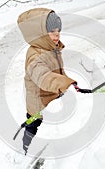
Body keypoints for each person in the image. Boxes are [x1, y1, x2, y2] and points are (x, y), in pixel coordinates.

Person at [17, 8, 76, 154]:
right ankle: (25, 148)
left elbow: (57, 71)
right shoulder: (35, 55)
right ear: (39, 34)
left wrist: (64, 83)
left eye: (58, 30)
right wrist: (64, 83)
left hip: (52, 97)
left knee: (50, 128)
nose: (57, 35)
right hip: (38, 103)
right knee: (33, 125)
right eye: (51, 31)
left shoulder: (51, 48)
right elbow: (43, 77)